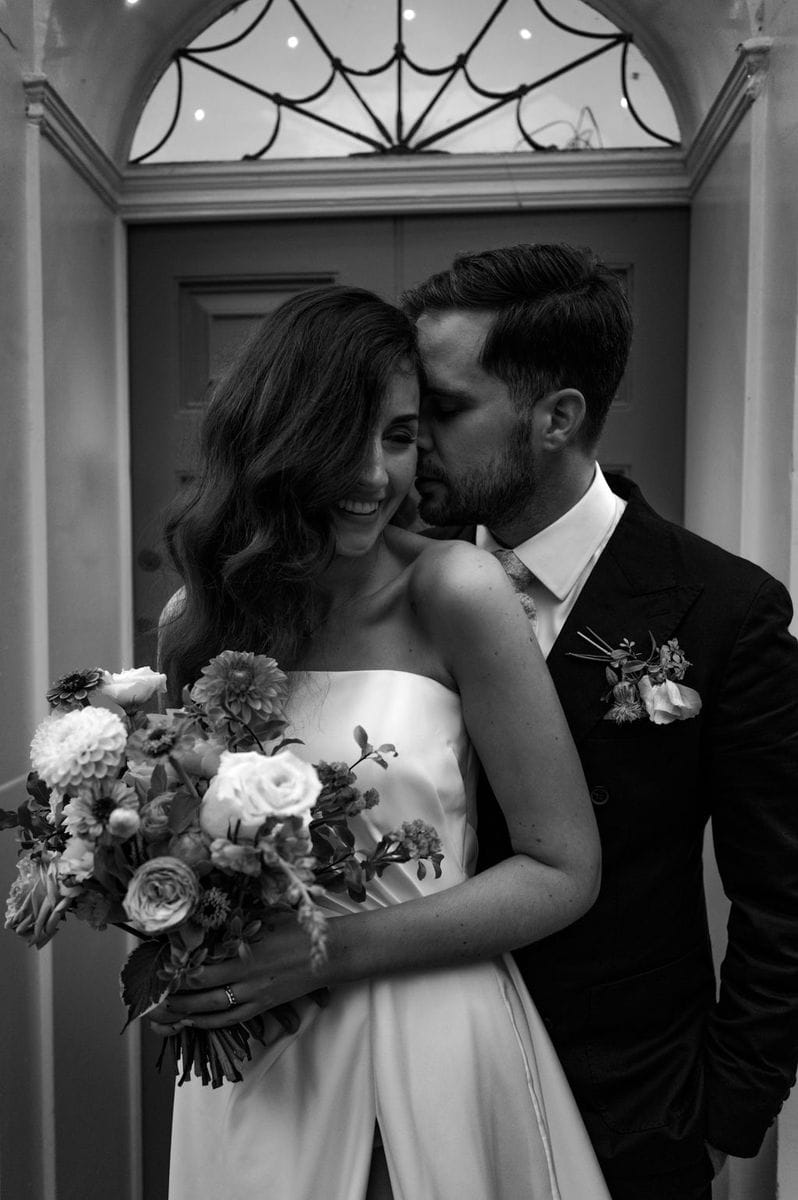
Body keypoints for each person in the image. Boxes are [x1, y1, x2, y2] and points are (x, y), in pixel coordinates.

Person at [152, 284, 607, 1200]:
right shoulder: (194, 622)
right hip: (262, 1065)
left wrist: (321, 953)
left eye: (399, 437)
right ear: (277, 441)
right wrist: (180, 957)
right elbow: (179, 855)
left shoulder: (456, 590)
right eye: (343, 437)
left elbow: (563, 869)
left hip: (428, 1029)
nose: (374, 474)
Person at [398, 242, 798, 1200]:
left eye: (446, 410)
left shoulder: (722, 610)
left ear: (557, 418)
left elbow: (784, 896)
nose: (411, 440)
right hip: (413, 1086)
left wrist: (722, 1119)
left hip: (629, 1107)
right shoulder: (387, 584)